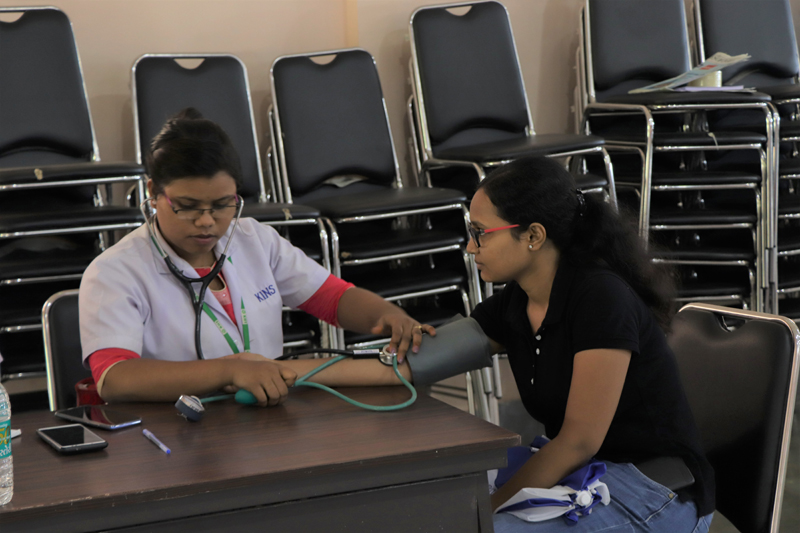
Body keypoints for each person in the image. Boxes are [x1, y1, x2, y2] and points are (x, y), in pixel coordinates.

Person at [79, 108, 434, 407]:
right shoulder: (116, 272)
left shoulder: (255, 240)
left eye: (222, 205)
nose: (206, 221)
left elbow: (332, 298)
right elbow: (116, 378)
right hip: (175, 430)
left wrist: (387, 315)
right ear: (153, 192)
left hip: (265, 414)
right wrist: (231, 369)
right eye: (187, 207)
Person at [465, 157, 714, 532]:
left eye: (480, 232)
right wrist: (399, 335)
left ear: (533, 236)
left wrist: (486, 513)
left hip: (656, 491)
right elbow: (418, 360)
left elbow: (577, 443)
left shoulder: (600, 297)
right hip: (587, 474)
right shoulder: (517, 300)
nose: (471, 247)